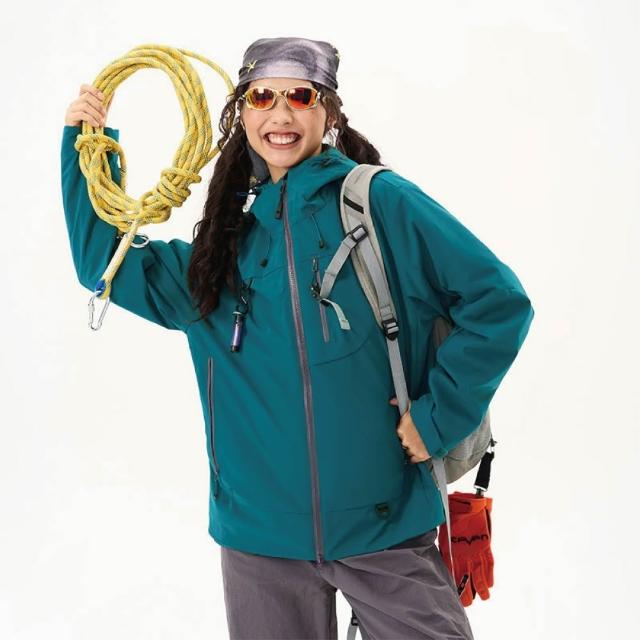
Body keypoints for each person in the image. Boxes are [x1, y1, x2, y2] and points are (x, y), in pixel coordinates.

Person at [61, 36, 534, 640]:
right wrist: (86, 145)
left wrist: (437, 417)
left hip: (384, 527)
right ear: (242, 112)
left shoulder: (379, 203)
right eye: (262, 97)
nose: (280, 114)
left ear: (328, 110)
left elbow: (498, 301)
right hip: (260, 543)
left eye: (300, 96)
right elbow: (101, 264)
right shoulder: (219, 256)